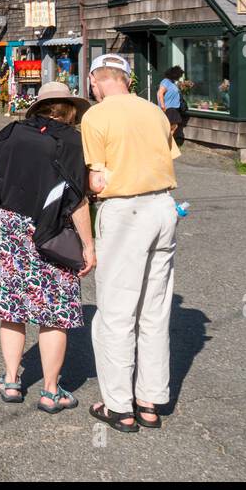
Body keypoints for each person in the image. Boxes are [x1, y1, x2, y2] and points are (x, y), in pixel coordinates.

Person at [0, 82, 95, 413]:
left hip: (9, 227)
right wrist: (88, 245)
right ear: (69, 109)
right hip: (51, 227)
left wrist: (3, 197)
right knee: (53, 311)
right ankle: (51, 391)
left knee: (12, 306)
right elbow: (78, 199)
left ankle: (12, 380)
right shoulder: (71, 141)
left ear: (38, 107)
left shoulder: (12, 132)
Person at [81, 53, 181, 433]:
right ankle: (150, 402)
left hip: (124, 211)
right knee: (154, 309)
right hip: (163, 207)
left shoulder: (97, 116)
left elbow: (98, 181)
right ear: (125, 78)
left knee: (117, 310)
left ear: (97, 80)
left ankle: (119, 406)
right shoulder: (154, 112)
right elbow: (168, 158)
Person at [157, 66, 185, 139]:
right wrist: (163, 106)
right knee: (171, 127)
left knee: (173, 126)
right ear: (175, 74)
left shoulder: (172, 82)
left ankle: (167, 142)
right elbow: (160, 93)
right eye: (179, 75)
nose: (179, 77)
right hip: (169, 108)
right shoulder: (166, 81)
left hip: (173, 108)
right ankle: (166, 142)